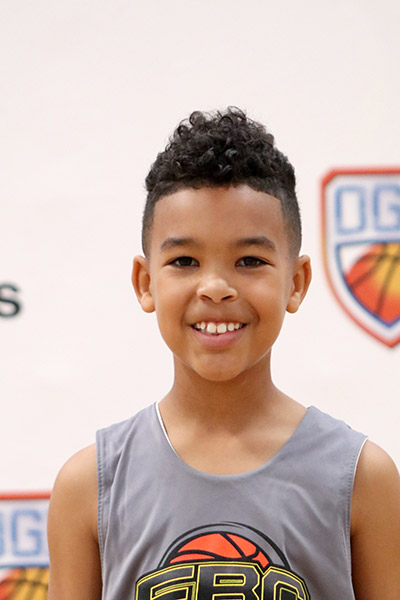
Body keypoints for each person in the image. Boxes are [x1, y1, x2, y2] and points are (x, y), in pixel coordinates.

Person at [47, 108, 400, 600]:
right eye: (184, 261)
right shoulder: (89, 486)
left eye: (249, 260)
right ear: (145, 282)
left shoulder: (362, 478)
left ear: (296, 282)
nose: (215, 287)